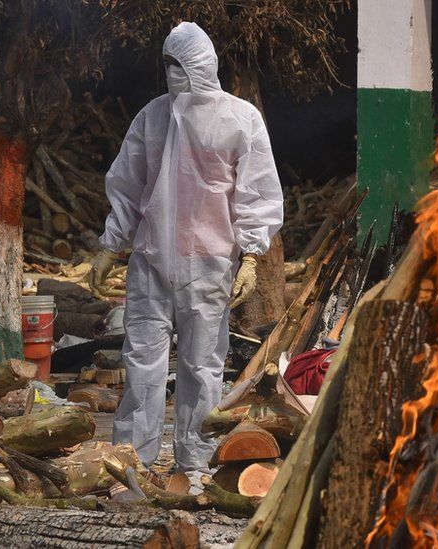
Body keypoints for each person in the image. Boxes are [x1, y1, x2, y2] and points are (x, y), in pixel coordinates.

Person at [88, 22, 284, 481]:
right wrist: (109, 245)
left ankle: (195, 465)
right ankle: (131, 464)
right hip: (152, 261)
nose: (172, 73)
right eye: (168, 65)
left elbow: (257, 194)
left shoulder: (239, 118)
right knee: (141, 363)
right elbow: (128, 186)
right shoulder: (152, 117)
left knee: (202, 368)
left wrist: (252, 256)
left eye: (179, 64)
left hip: (209, 262)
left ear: (200, 65)